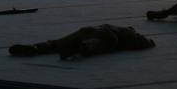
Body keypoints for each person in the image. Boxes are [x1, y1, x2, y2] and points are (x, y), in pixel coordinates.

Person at [9, 24, 155, 60]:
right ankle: (78, 48)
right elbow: (147, 42)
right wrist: (150, 42)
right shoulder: (132, 36)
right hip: (109, 37)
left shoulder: (123, 29)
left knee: (57, 43)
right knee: (94, 44)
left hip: (90, 29)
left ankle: (35, 48)